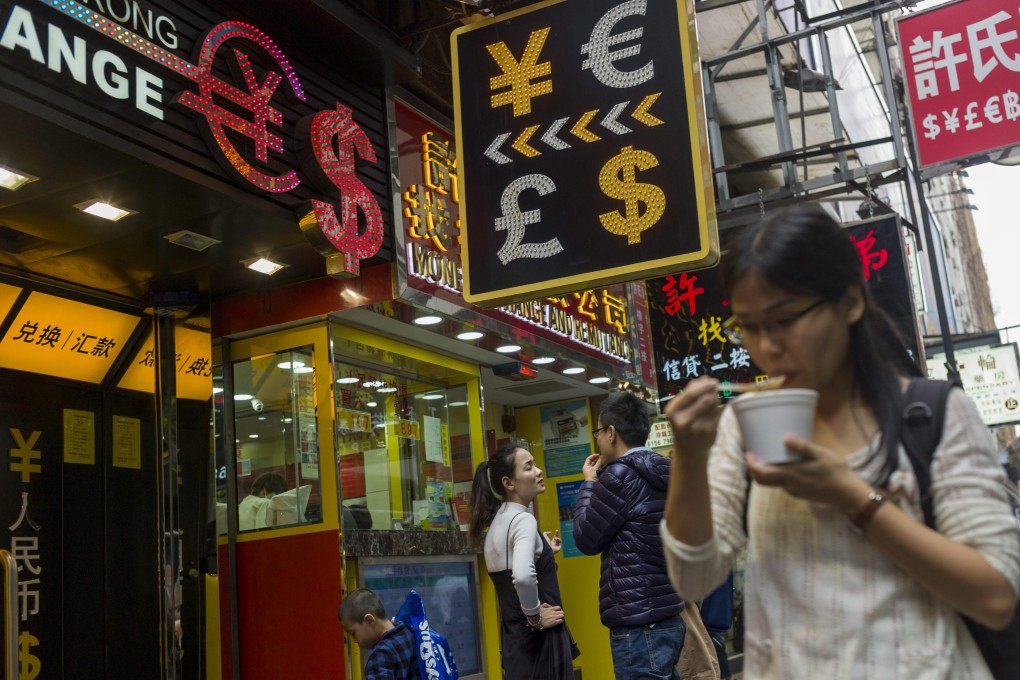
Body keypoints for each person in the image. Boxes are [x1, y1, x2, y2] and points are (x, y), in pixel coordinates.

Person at [660, 204, 1020, 679]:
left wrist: (852, 496)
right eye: (747, 326)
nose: (766, 347)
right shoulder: (744, 425)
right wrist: (688, 455)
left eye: (784, 319)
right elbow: (694, 578)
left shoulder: (931, 415)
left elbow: (995, 598)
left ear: (850, 302)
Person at [572, 392, 684, 680]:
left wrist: (588, 484)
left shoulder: (620, 476)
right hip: (668, 615)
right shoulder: (665, 470)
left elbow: (586, 539)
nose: (597, 439)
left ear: (611, 433)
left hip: (638, 624)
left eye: (597, 431)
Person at [467, 443, 579, 679]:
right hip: (540, 641)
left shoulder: (498, 522)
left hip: (515, 641)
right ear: (509, 483)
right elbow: (523, 576)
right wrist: (535, 617)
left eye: (535, 464)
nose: (538, 471)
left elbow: (512, 573)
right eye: (529, 467)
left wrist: (545, 554)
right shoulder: (523, 520)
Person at [338, 588, 417, 680]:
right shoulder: (410, 633)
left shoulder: (380, 657)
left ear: (369, 620)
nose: (355, 641)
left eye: (353, 633)